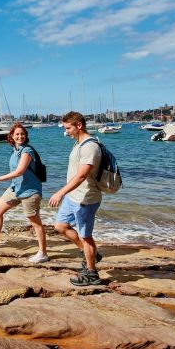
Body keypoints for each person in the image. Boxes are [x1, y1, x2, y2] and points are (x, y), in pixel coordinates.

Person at [0, 123, 48, 261]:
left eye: (22, 134)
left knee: (35, 222)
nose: (20, 136)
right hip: (15, 188)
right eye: (17, 134)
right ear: (11, 136)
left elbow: (19, 171)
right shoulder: (15, 150)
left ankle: (43, 253)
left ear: (26, 136)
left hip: (30, 191)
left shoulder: (27, 151)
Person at [48, 111, 103, 286]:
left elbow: (81, 176)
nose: (66, 131)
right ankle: (91, 255)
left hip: (86, 198)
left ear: (79, 125)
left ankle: (92, 274)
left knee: (86, 236)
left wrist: (60, 192)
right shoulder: (78, 143)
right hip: (74, 197)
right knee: (61, 226)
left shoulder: (90, 147)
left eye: (68, 128)